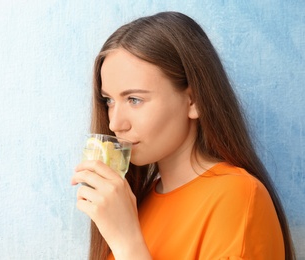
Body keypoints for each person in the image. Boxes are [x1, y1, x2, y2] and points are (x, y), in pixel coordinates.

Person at [71, 11, 296, 260]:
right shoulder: (133, 204)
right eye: (109, 100)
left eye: (134, 99)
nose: (115, 123)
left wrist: (127, 244)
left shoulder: (238, 198)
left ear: (193, 101)